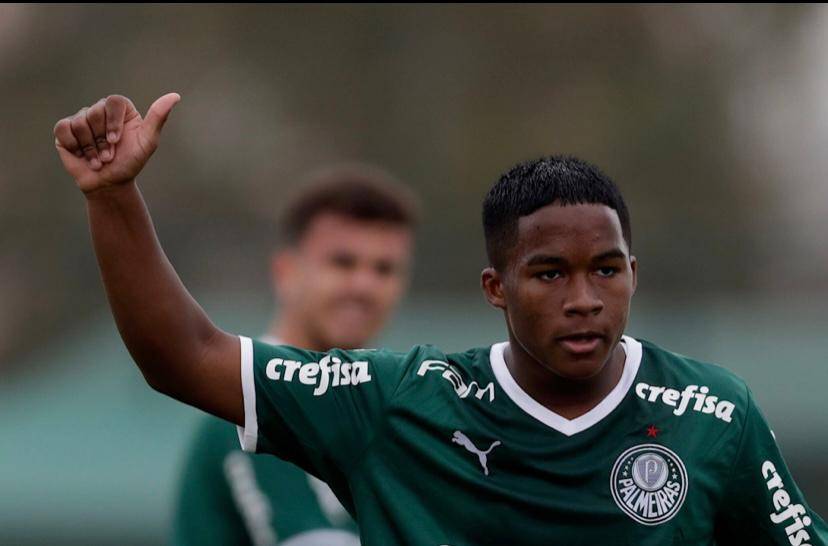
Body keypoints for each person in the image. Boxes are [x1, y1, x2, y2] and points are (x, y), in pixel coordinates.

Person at [53, 93, 828, 546]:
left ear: (634, 273)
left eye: (606, 269)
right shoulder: (401, 403)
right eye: (549, 274)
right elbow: (185, 355)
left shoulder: (713, 413)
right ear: (496, 288)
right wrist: (113, 196)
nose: (584, 298)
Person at [171, 166, 418, 546]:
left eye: (384, 269)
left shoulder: (382, 409)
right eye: (343, 262)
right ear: (285, 272)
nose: (364, 285)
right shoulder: (243, 409)